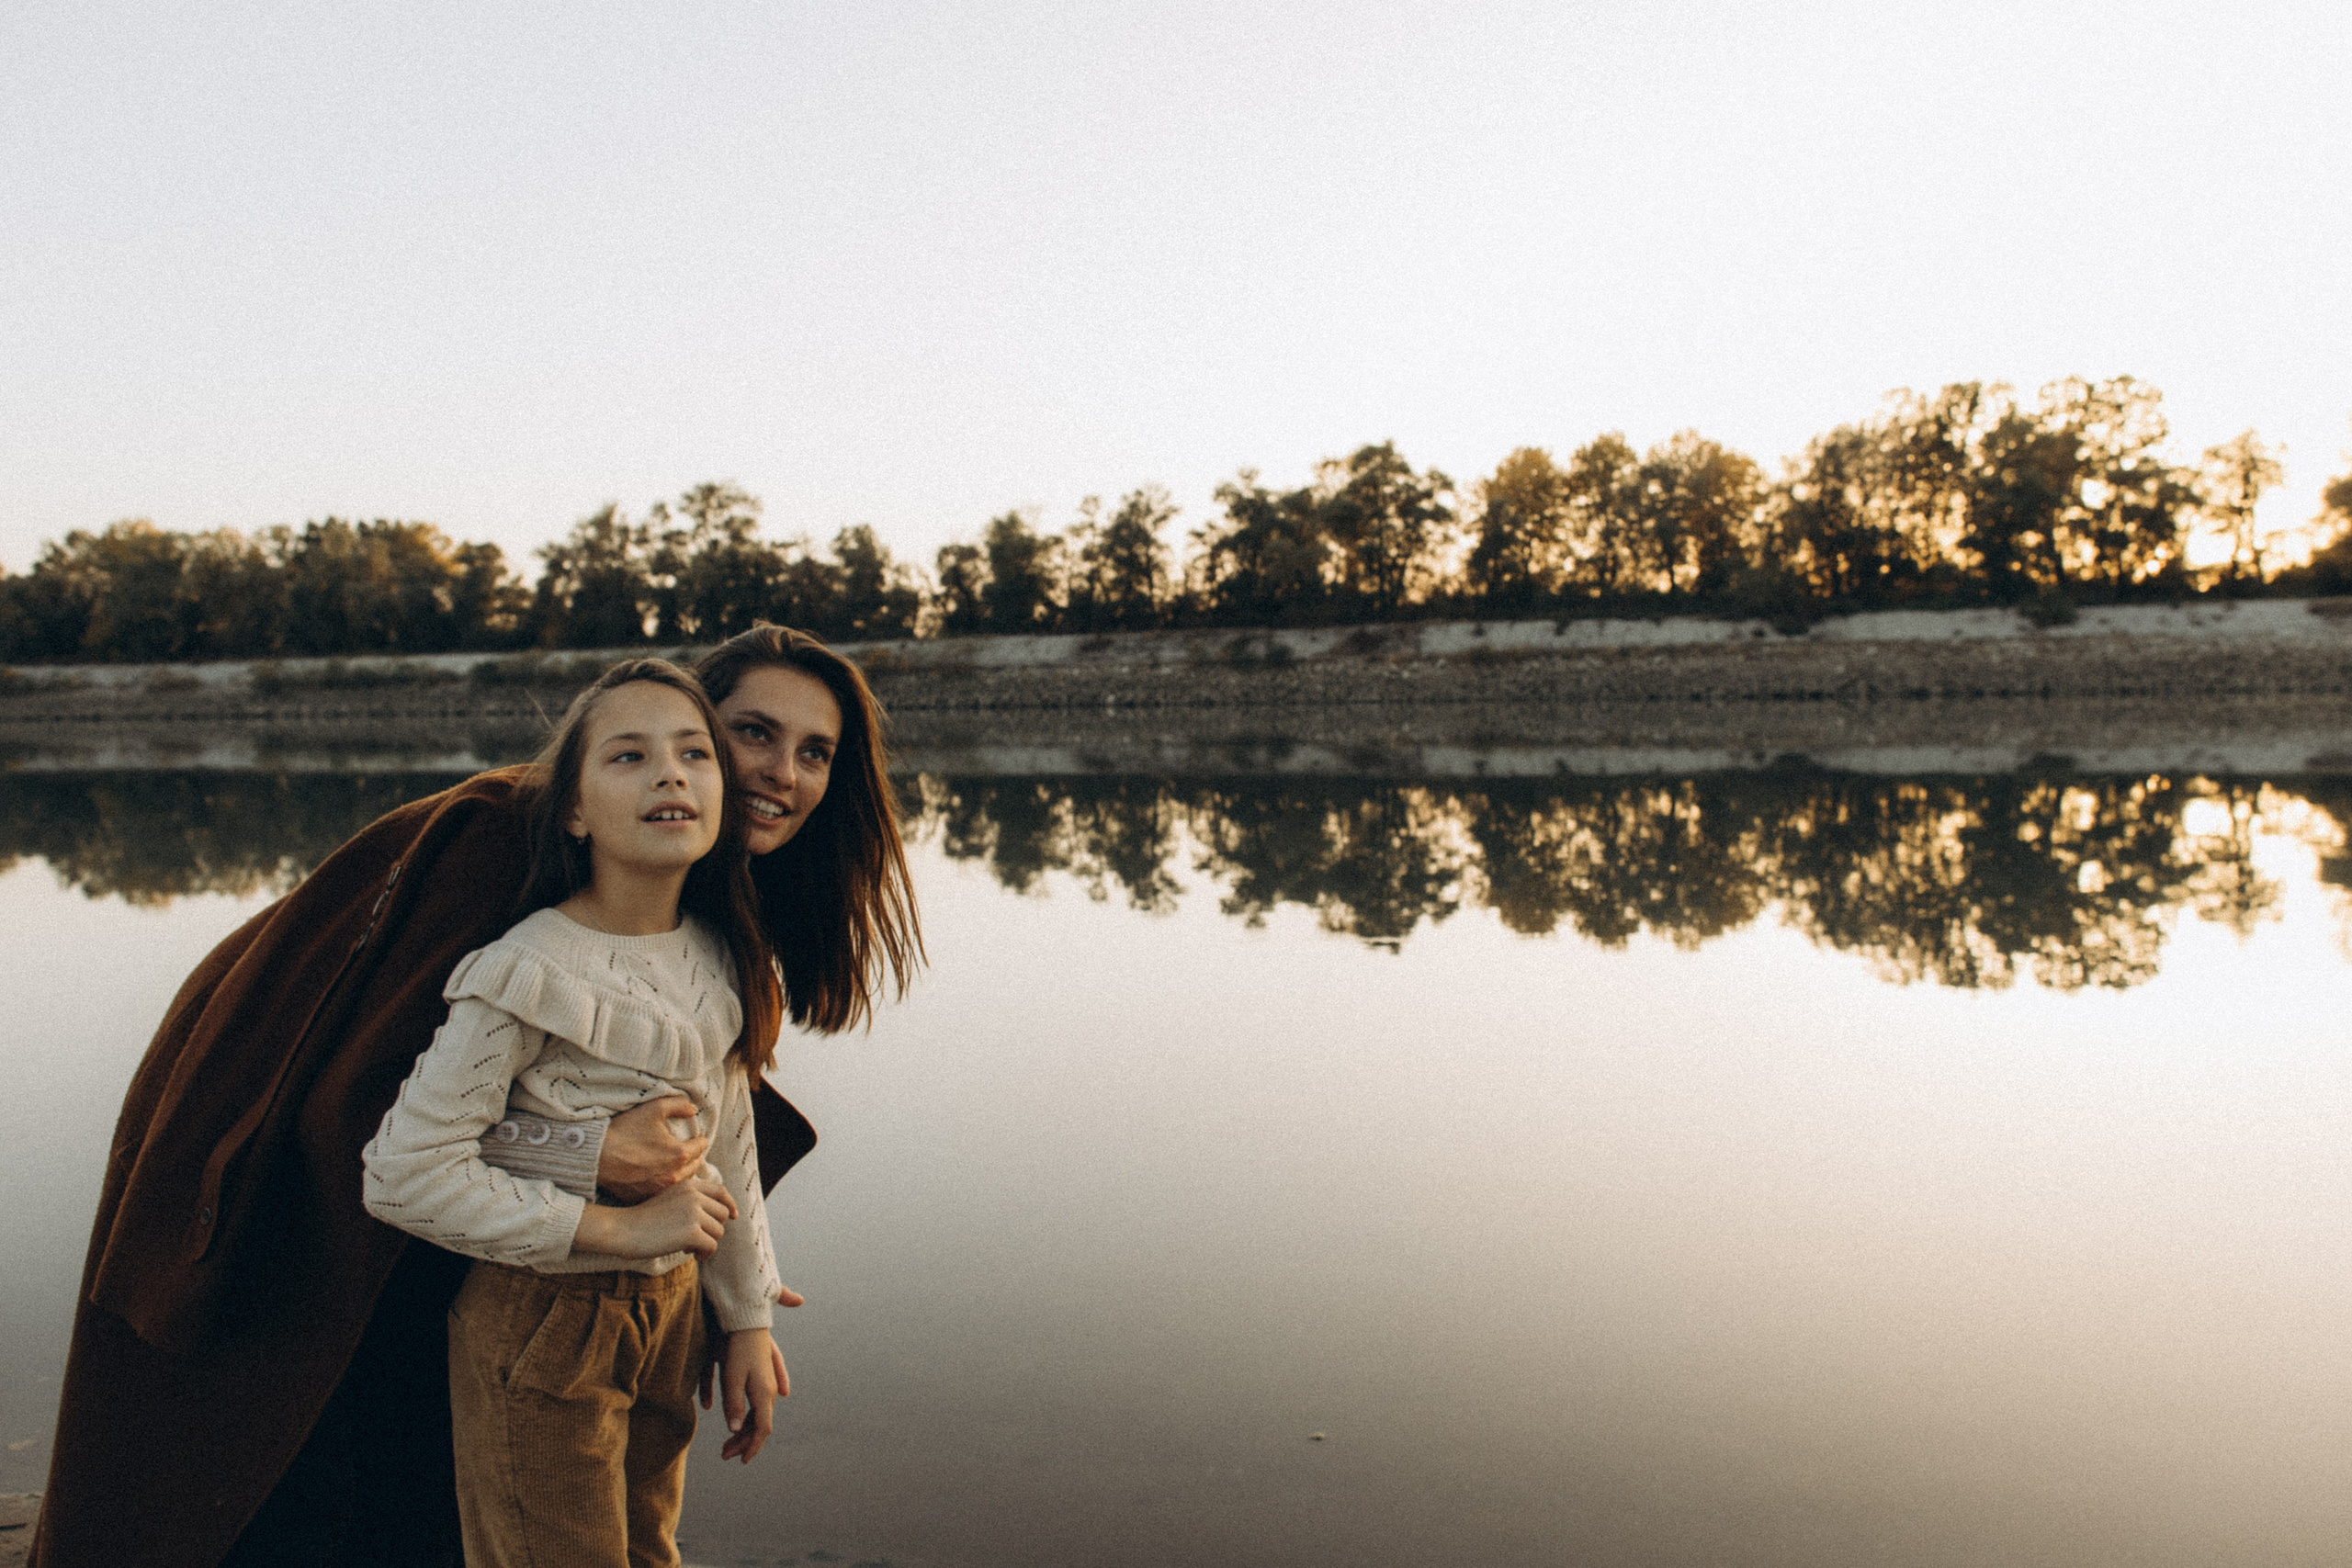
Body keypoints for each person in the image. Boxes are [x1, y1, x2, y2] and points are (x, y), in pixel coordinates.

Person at [31, 624, 921, 1568]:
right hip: (266, 1136)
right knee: (268, 1481)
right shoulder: (502, 849)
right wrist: (588, 1156)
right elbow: (363, 1122)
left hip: (517, 1251)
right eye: (750, 733)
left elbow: (715, 1113)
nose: (777, 771)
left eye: (813, 752)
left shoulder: (697, 911)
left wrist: (737, 1300)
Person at [364, 660, 784, 1564]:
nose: (671, 774)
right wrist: (613, 1230)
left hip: (673, 1316)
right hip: (542, 1321)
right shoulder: (530, 968)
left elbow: (731, 1146)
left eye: (694, 754)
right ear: (574, 810)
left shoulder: (717, 949)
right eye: (628, 756)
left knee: (646, 1551)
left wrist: (745, 1315)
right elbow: (404, 1174)